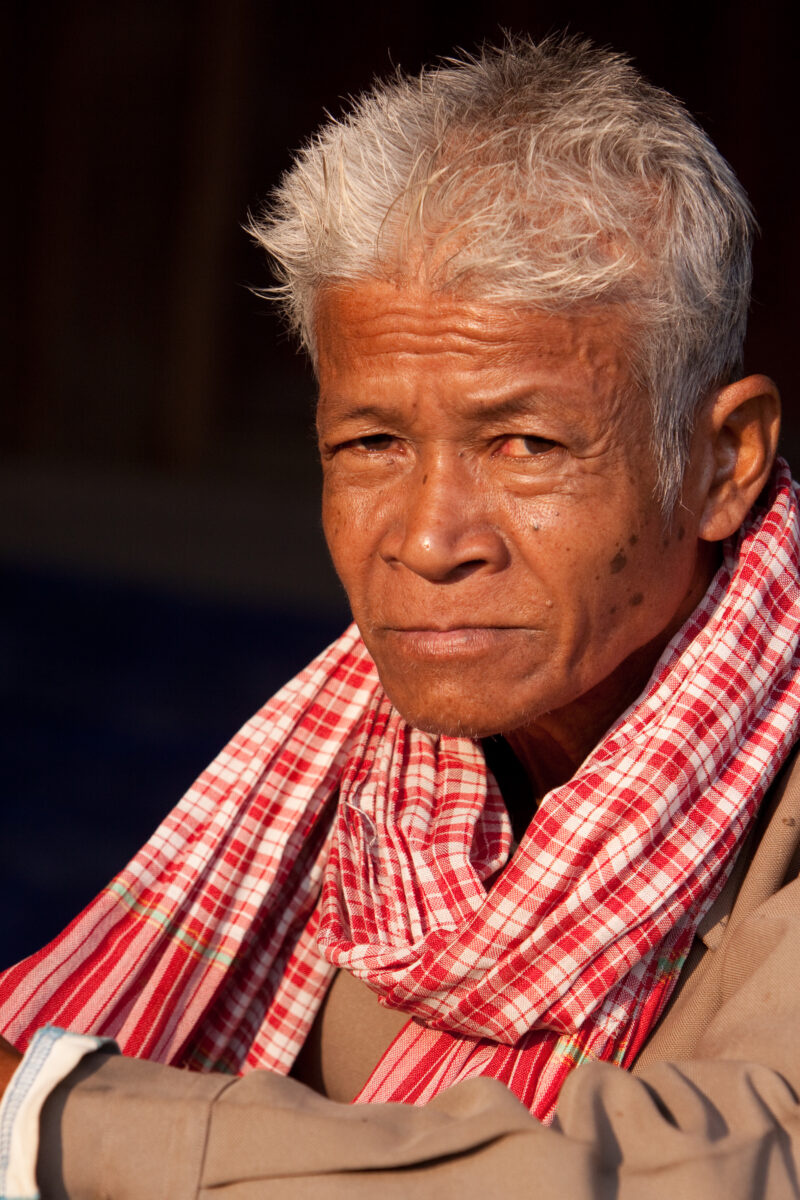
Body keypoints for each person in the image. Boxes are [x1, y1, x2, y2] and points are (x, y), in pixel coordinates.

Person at [2, 33, 800, 1199]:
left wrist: (57, 1118)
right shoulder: (346, 773)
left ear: (722, 461)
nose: (428, 541)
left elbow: (726, 1163)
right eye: (371, 443)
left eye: (524, 445)